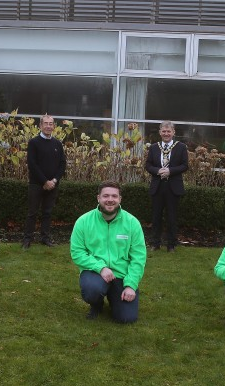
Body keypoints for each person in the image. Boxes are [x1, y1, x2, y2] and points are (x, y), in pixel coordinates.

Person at [70, 181, 147, 323]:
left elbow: (138, 258)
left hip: (122, 275)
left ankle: (114, 297)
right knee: (92, 290)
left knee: (126, 319)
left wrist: (131, 285)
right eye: (105, 196)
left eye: (114, 196)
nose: (110, 199)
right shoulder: (83, 221)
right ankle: (97, 304)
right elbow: (77, 252)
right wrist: (101, 267)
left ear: (120, 199)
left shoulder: (132, 223)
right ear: (98, 198)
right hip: (95, 272)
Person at [22, 114, 66, 249]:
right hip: (36, 184)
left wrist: (54, 180)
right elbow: (32, 164)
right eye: (45, 123)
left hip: (53, 185)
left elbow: (62, 164)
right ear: (40, 126)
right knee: (32, 213)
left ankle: (45, 238)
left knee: (47, 213)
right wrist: (44, 181)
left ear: (54, 126)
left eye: (51, 123)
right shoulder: (33, 143)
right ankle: (27, 240)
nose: (48, 126)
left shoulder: (58, 144)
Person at [145, 121, 189, 252]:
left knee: (172, 217)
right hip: (157, 186)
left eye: (168, 131)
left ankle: (171, 245)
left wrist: (170, 171)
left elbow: (185, 165)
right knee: (156, 216)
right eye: (163, 131)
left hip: (173, 187)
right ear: (160, 132)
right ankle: (155, 243)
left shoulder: (181, 147)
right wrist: (157, 171)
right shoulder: (154, 147)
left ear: (173, 132)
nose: (166, 134)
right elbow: (148, 165)